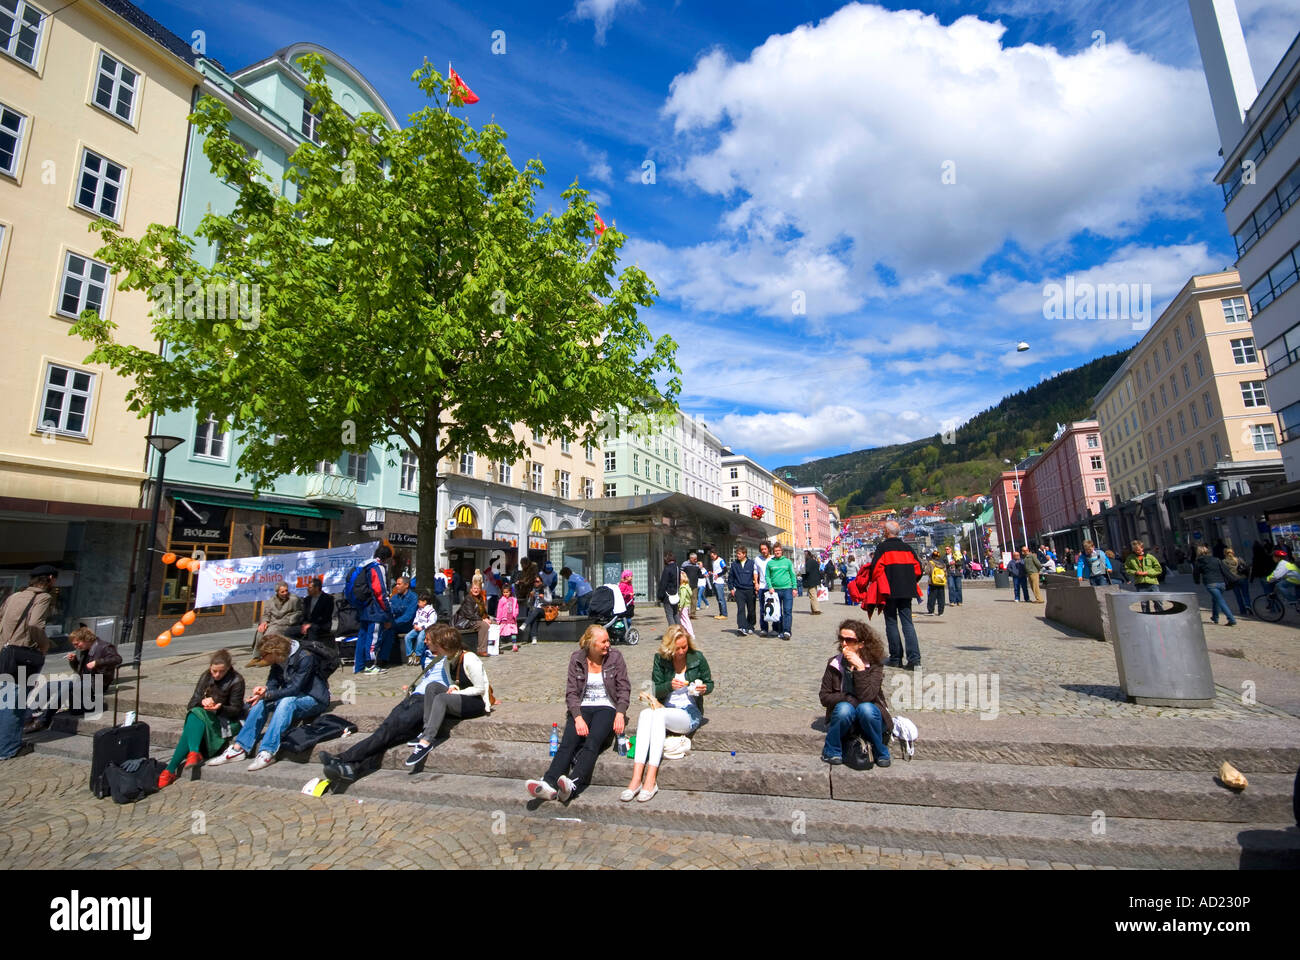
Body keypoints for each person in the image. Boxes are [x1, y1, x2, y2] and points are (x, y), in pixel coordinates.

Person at [320, 626, 457, 782]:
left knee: (387, 732)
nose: (425, 641)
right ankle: (352, 768)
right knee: (387, 734)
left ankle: (343, 758)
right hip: (412, 698)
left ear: (439, 641)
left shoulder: (451, 658)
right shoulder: (429, 656)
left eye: (428, 639)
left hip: (425, 702)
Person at [526, 624, 628, 802]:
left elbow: (624, 688)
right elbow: (571, 692)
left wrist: (620, 712)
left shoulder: (615, 657)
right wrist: (578, 717)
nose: (607, 645)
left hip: (607, 707)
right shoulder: (577, 659)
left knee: (592, 742)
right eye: (603, 641)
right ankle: (549, 783)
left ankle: (572, 784)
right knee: (568, 743)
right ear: (591, 643)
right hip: (583, 707)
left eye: (608, 641)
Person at [208, 633, 329, 771]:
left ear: (274, 652)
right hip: (291, 697)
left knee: (286, 702)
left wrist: (268, 694)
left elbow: (296, 688)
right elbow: (272, 684)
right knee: (260, 702)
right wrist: (263, 691)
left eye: (264, 655)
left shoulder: (305, 657)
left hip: (314, 698)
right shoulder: (277, 661)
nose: (262, 658)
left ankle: (267, 751)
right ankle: (239, 748)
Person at [622, 625, 713, 803]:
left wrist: (703, 689)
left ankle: (651, 779)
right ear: (669, 647)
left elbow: (710, 683)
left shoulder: (697, 658)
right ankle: (635, 779)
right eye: (677, 648)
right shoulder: (660, 659)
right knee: (645, 714)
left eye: (684, 647)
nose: (681, 651)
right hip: (667, 707)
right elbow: (654, 690)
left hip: (689, 712)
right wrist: (669, 686)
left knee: (658, 715)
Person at [404, 626, 491, 766]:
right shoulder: (446, 660)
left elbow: (480, 689)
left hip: (475, 702)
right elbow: (452, 682)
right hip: (460, 697)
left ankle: (426, 742)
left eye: (437, 645)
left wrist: (457, 692)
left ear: (446, 646)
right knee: (432, 686)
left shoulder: (470, 658)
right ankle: (426, 729)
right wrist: (453, 688)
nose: (434, 648)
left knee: (441, 698)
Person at [158, 650, 246, 787]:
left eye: (221, 672)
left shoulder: (237, 680)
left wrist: (219, 708)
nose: (216, 675)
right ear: (210, 667)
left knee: (194, 718)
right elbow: (192, 703)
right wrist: (203, 702)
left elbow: (236, 710)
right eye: (214, 671)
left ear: (228, 668)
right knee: (195, 712)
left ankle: (170, 769)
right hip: (205, 715)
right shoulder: (206, 676)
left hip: (227, 720)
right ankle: (193, 753)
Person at [819, 619, 892, 767]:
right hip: (845, 717)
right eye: (841, 639)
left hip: (871, 717)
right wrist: (847, 698)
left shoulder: (874, 665)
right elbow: (824, 697)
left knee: (865, 708)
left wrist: (860, 668)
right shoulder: (834, 663)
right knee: (844, 708)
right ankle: (831, 750)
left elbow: (868, 697)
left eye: (849, 640)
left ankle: (880, 750)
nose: (844, 644)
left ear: (861, 644)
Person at [27, 625, 122, 732]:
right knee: (49, 685)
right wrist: (73, 661)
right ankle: (27, 716)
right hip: (83, 680)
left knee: (66, 687)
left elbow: (117, 659)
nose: (76, 647)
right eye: (74, 645)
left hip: (97, 682)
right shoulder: (85, 649)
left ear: (86, 639)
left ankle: (43, 720)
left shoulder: (104, 646)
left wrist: (97, 662)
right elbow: (80, 671)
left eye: (77, 644)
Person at [857, 520, 922, 670]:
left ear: (886, 532)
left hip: (889, 591)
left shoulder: (883, 548)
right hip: (906, 590)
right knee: (908, 624)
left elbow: (875, 570)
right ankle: (914, 659)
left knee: (891, 623)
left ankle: (896, 658)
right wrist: (910, 581)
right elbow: (918, 569)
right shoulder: (907, 548)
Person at [351, 544, 393, 676]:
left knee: (363, 636)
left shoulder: (366, 565)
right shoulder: (377, 568)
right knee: (373, 637)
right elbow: (380, 591)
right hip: (375, 609)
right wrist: (387, 611)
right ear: (386, 557)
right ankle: (370, 665)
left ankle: (359, 665)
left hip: (365, 607)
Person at [0, 564, 57, 650]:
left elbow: (1, 617)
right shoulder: (43, 597)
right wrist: (44, 645)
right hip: (21, 649)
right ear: (51, 577)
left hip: (3, 647)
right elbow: (35, 624)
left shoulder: (15, 595)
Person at [249, 581, 303, 667]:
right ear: (277, 592)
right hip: (272, 623)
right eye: (282, 592)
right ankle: (256, 657)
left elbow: (299, 612)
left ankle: (266, 658)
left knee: (270, 633)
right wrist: (264, 622)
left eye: (286, 590)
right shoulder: (271, 601)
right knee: (260, 632)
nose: (285, 593)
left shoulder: (294, 599)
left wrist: (289, 620)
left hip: (285, 623)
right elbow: (266, 614)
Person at [1192, 544, 1237, 626]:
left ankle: (1231, 619)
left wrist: (1197, 581)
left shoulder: (1198, 561)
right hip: (1221, 583)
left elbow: (1196, 573)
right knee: (1216, 599)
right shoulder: (1216, 559)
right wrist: (1232, 579)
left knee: (1220, 600)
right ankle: (1215, 617)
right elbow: (1224, 570)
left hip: (1211, 583)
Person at [765, 542, 797, 640]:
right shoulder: (770, 563)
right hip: (775, 591)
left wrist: (794, 588)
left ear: (781, 551)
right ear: (773, 552)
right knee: (777, 612)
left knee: (787, 611)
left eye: (779, 550)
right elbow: (767, 576)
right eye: (775, 551)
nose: (777, 552)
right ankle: (777, 629)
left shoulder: (787, 562)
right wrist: (770, 586)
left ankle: (787, 631)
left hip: (787, 589)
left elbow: (792, 575)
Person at [453, 582, 493, 656]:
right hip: (466, 621)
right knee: (484, 625)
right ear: (471, 590)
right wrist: (483, 620)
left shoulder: (480, 598)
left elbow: (483, 612)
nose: (476, 590)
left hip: (475, 619)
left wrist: (487, 618)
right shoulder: (469, 599)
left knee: (495, 623)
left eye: (478, 588)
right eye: (474, 588)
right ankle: (481, 650)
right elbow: (470, 615)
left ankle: (494, 647)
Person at [1124, 540, 1164, 612]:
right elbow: (1127, 569)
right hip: (1140, 584)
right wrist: (1135, 572)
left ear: (1142, 548)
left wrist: (1147, 572)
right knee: (1144, 603)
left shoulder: (1150, 557)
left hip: (1152, 583)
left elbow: (1158, 569)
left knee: (1158, 601)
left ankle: (1161, 614)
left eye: (1138, 550)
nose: (1137, 551)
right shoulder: (1130, 558)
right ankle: (1147, 618)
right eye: (1135, 550)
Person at [387, 576, 418, 666]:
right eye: (396, 584)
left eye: (399, 584)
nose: (396, 586)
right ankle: (385, 658)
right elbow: (390, 611)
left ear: (406, 585)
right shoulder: (394, 598)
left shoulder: (413, 597)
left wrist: (392, 623)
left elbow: (408, 616)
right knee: (385, 632)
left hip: (408, 625)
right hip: (396, 625)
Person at [727, 546, 757, 635]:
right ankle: (742, 627)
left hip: (750, 590)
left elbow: (755, 576)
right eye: (737, 554)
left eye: (739, 554)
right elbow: (730, 578)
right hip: (739, 590)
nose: (737, 555)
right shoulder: (734, 564)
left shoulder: (752, 563)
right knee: (741, 609)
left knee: (751, 609)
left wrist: (756, 586)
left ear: (744, 554)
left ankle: (750, 626)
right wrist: (731, 588)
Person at [405, 592, 438, 664]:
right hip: (417, 627)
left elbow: (432, 622)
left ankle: (418, 655)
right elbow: (416, 618)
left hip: (426, 629)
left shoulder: (431, 611)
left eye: (419, 602)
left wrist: (422, 627)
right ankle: (410, 654)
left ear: (425, 602)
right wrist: (415, 624)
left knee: (420, 638)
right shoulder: (419, 610)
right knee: (408, 637)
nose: (418, 604)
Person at [300, 577, 334, 644]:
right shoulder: (307, 599)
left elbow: (325, 617)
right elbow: (304, 615)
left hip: (321, 625)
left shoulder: (328, 599)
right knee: (289, 631)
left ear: (317, 588)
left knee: (312, 629)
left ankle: (311, 650)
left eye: (310, 588)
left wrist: (310, 625)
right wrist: (304, 624)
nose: (308, 590)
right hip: (307, 624)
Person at [1223, 547, 1252, 617]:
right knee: (1246, 594)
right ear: (1233, 553)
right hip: (1243, 578)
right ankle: (1248, 606)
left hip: (1233, 580)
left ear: (1224, 554)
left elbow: (1224, 572)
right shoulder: (1239, 559)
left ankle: (1242, 610)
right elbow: (1246, 567)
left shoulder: (1224, 562)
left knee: (1238, 596)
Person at [519, 575, 548, 644]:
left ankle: (525, 624)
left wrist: (544, 598)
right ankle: (534, 638)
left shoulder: (545, 589)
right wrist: (531, 597)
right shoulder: (532, 590)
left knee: (536, 610)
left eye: (537, 581)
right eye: (535, 582)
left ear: (541, 582)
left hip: (543, 609)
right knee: (533, 615)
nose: (536, 583)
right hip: (534, 610)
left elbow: (550, 600)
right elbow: (529, 604)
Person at [658, 553, 681, 627]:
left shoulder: (667, 569)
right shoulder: (677, 568)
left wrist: (660, 596)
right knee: (675, 614)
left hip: (668, 595)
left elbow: (663, 583)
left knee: (669, 615)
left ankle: (673, 633)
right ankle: (680, 631)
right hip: (675, 594)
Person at [497, 582, 520, 653]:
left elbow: (516, 608)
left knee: (513, 632)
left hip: (511, 619)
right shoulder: (502, 600)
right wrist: (498, 619)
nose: (505, 594)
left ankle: (514, 644)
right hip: (504, 619)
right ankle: (498, 646)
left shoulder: (513, 600)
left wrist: (515, 614)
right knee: (500, 633)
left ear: (510, 592)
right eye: (504, 592)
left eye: (507, 592)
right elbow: (499, 610)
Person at [708, 548, 729, 620]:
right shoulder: (713, 561)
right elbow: (716, 571)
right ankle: (721, 613)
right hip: (714, 581)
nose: (712, 557)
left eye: (712, 556)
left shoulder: (720, 560)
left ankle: (724, 614)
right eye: (711, 556)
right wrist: (712, 573)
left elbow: (725, 569)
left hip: (719, 582)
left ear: (716, 554)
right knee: (718, 599)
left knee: (721, 598)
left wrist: (718, 575)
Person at [681, 552, 703, 618]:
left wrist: (704, 575)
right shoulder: (685, 564)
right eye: (694, 559)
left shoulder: (697, 566)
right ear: (690, 558)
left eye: (696, 559)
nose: (696, 560)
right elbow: (681, 573)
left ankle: (693, 614)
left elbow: (699, 574)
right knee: (686, 599)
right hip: (686, 585)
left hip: (694, 585)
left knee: (694, 599)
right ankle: (685, 614)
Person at [803, 550, 823, 616]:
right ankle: (813, 609)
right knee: (813, 595)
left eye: (804, 555)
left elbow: (807, 571)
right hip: (816, 580)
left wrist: (802, 572)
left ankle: (816, 610)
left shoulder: (808, 562)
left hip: (811, 581)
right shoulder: (815, 561)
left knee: (813, 595)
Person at [926, 552, 946, 616]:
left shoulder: (931, 563)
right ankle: (940, 612)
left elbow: (927, 572)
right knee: (941, 597)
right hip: (941, 582)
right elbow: (946, 573)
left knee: (932, 597)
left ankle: (931, 611)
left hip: (933, 582)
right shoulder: (942, 564)